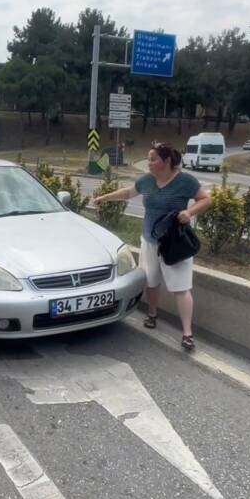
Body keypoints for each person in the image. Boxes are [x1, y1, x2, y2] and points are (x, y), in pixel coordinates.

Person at [93, 142, 212, 351]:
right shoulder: (148, 180)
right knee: (151, 281)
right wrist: (104, 198)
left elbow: (205, 199)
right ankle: (152, 314)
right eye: (148, 159)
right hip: (149, 240)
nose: (148, 163)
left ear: (167, 161)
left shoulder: (185, 181)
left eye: (153, 159)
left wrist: (189, 213)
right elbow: (128, 192)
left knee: (181, 288)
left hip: (174, 243)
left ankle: (187, 334)